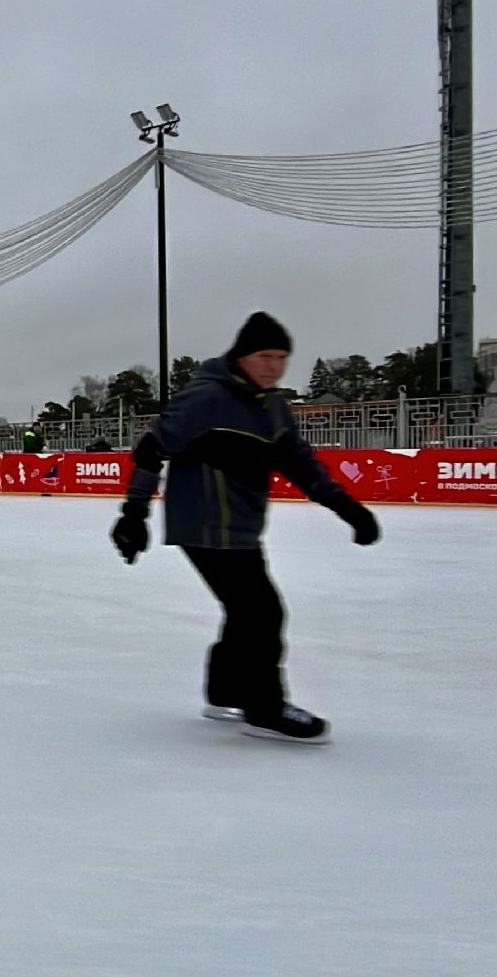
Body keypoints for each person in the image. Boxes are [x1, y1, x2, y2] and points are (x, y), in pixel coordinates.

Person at [110, 312, 379, 744]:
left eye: (281, 357)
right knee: (262, 611)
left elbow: (301, 465)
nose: (273, 366)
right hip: (203, 523)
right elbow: (151, 447)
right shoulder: (207, 399)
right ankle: (265, 708)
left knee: (246, 610)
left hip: (240, 525)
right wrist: (133, 513)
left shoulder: (272, 407)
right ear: (241, 356)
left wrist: (349, 509)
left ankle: (225, 693)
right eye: (264, 356)